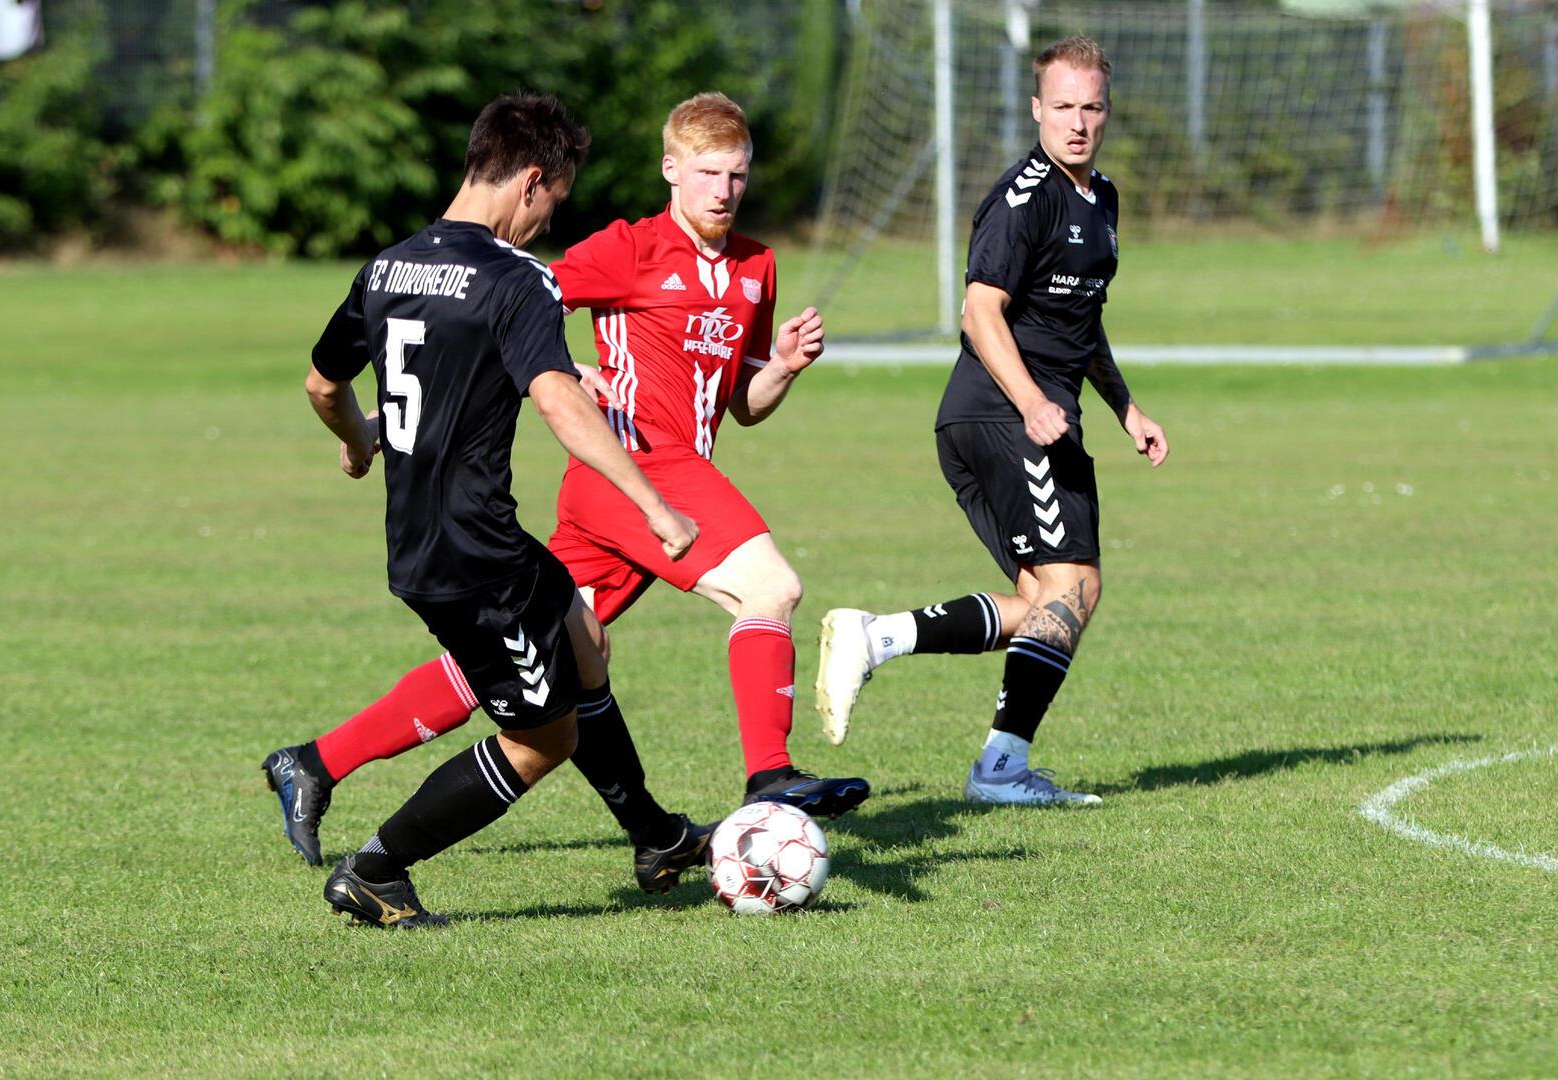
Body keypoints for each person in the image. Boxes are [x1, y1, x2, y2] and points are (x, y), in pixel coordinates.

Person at [263, 92, 868, 889]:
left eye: (738, 176)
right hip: (639, 472)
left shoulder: (757, 268)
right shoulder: (625, 250)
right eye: (709, 173)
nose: (724, 189)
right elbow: (503, 306)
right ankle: (770, 778)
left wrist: (783, 367)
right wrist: (558, 373)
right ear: (671, 170)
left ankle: (318, 761)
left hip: (662, 475)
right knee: (772, 588)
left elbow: (740, 407)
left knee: (551, 655)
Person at [299, 93, 696, 928]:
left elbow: (323, 384)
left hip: (443, 539)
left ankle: (656, 836)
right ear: (530, 180)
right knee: (542, 740)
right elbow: (558, 403)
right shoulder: (515, 280)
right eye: (553, 202)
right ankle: (376, 869)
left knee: (587, 641)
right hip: (470, 557)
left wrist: (361, 438)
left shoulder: (389, 266)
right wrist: (654, 505)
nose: (547, 223)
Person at [813, 37, 1169, 807]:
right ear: (1037, 109)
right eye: (1064, 106)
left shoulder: (1101, 198)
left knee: (1051, 602)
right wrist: (1034, 402)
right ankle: (999, 768)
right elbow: (979, 312)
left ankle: (882, 639)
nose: (1078, 122)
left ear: (1108, 111)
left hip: (1030, 417)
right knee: (1073, 586)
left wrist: (1125, 405)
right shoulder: (1025, 195)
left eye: (1092, 107)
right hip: (1006, 413)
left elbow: (1082, 320)